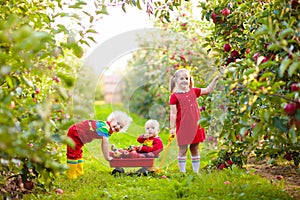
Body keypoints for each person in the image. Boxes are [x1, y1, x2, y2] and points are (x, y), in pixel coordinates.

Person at [169, 68, 219, 173]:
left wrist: (215, 79)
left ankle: (196, 172)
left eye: (186, 78)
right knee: (182, 149)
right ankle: (182, 172)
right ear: (176, 81)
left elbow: (208, 90)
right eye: (181, 78)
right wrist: (172, 128)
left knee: (195, 148)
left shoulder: (194, 91)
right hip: (183, 127)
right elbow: (173, 113)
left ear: (190, 80)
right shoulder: (174, 96)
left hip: (195, 126)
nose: (184, 80)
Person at [66, 111, 132, 179]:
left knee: (78, 153)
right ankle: (70, 174)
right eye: (118, 123)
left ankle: (78, 172)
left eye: (121, 127)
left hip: (80, 136)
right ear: (112, 119)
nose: (118, 127)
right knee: (73, 153)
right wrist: (107, 157)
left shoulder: (108, 129)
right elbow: (105, 142)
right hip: (75, 133)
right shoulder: (104, 126)